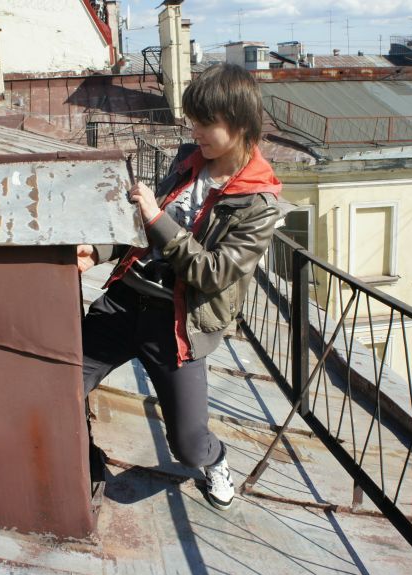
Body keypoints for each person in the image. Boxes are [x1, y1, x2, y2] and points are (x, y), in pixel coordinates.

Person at [77, 63, 282, 511]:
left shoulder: (259, 203)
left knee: (188, 447)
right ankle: (83, 458)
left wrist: (156, 217)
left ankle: (216, 459)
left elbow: (212, 273)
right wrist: (99, 251)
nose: (196, 131)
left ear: (241, 124)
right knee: (60, 385)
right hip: (123, 303)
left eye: (206, 122)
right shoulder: (189, 159)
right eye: (193, 121)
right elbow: (142, 229)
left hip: (178, 326)